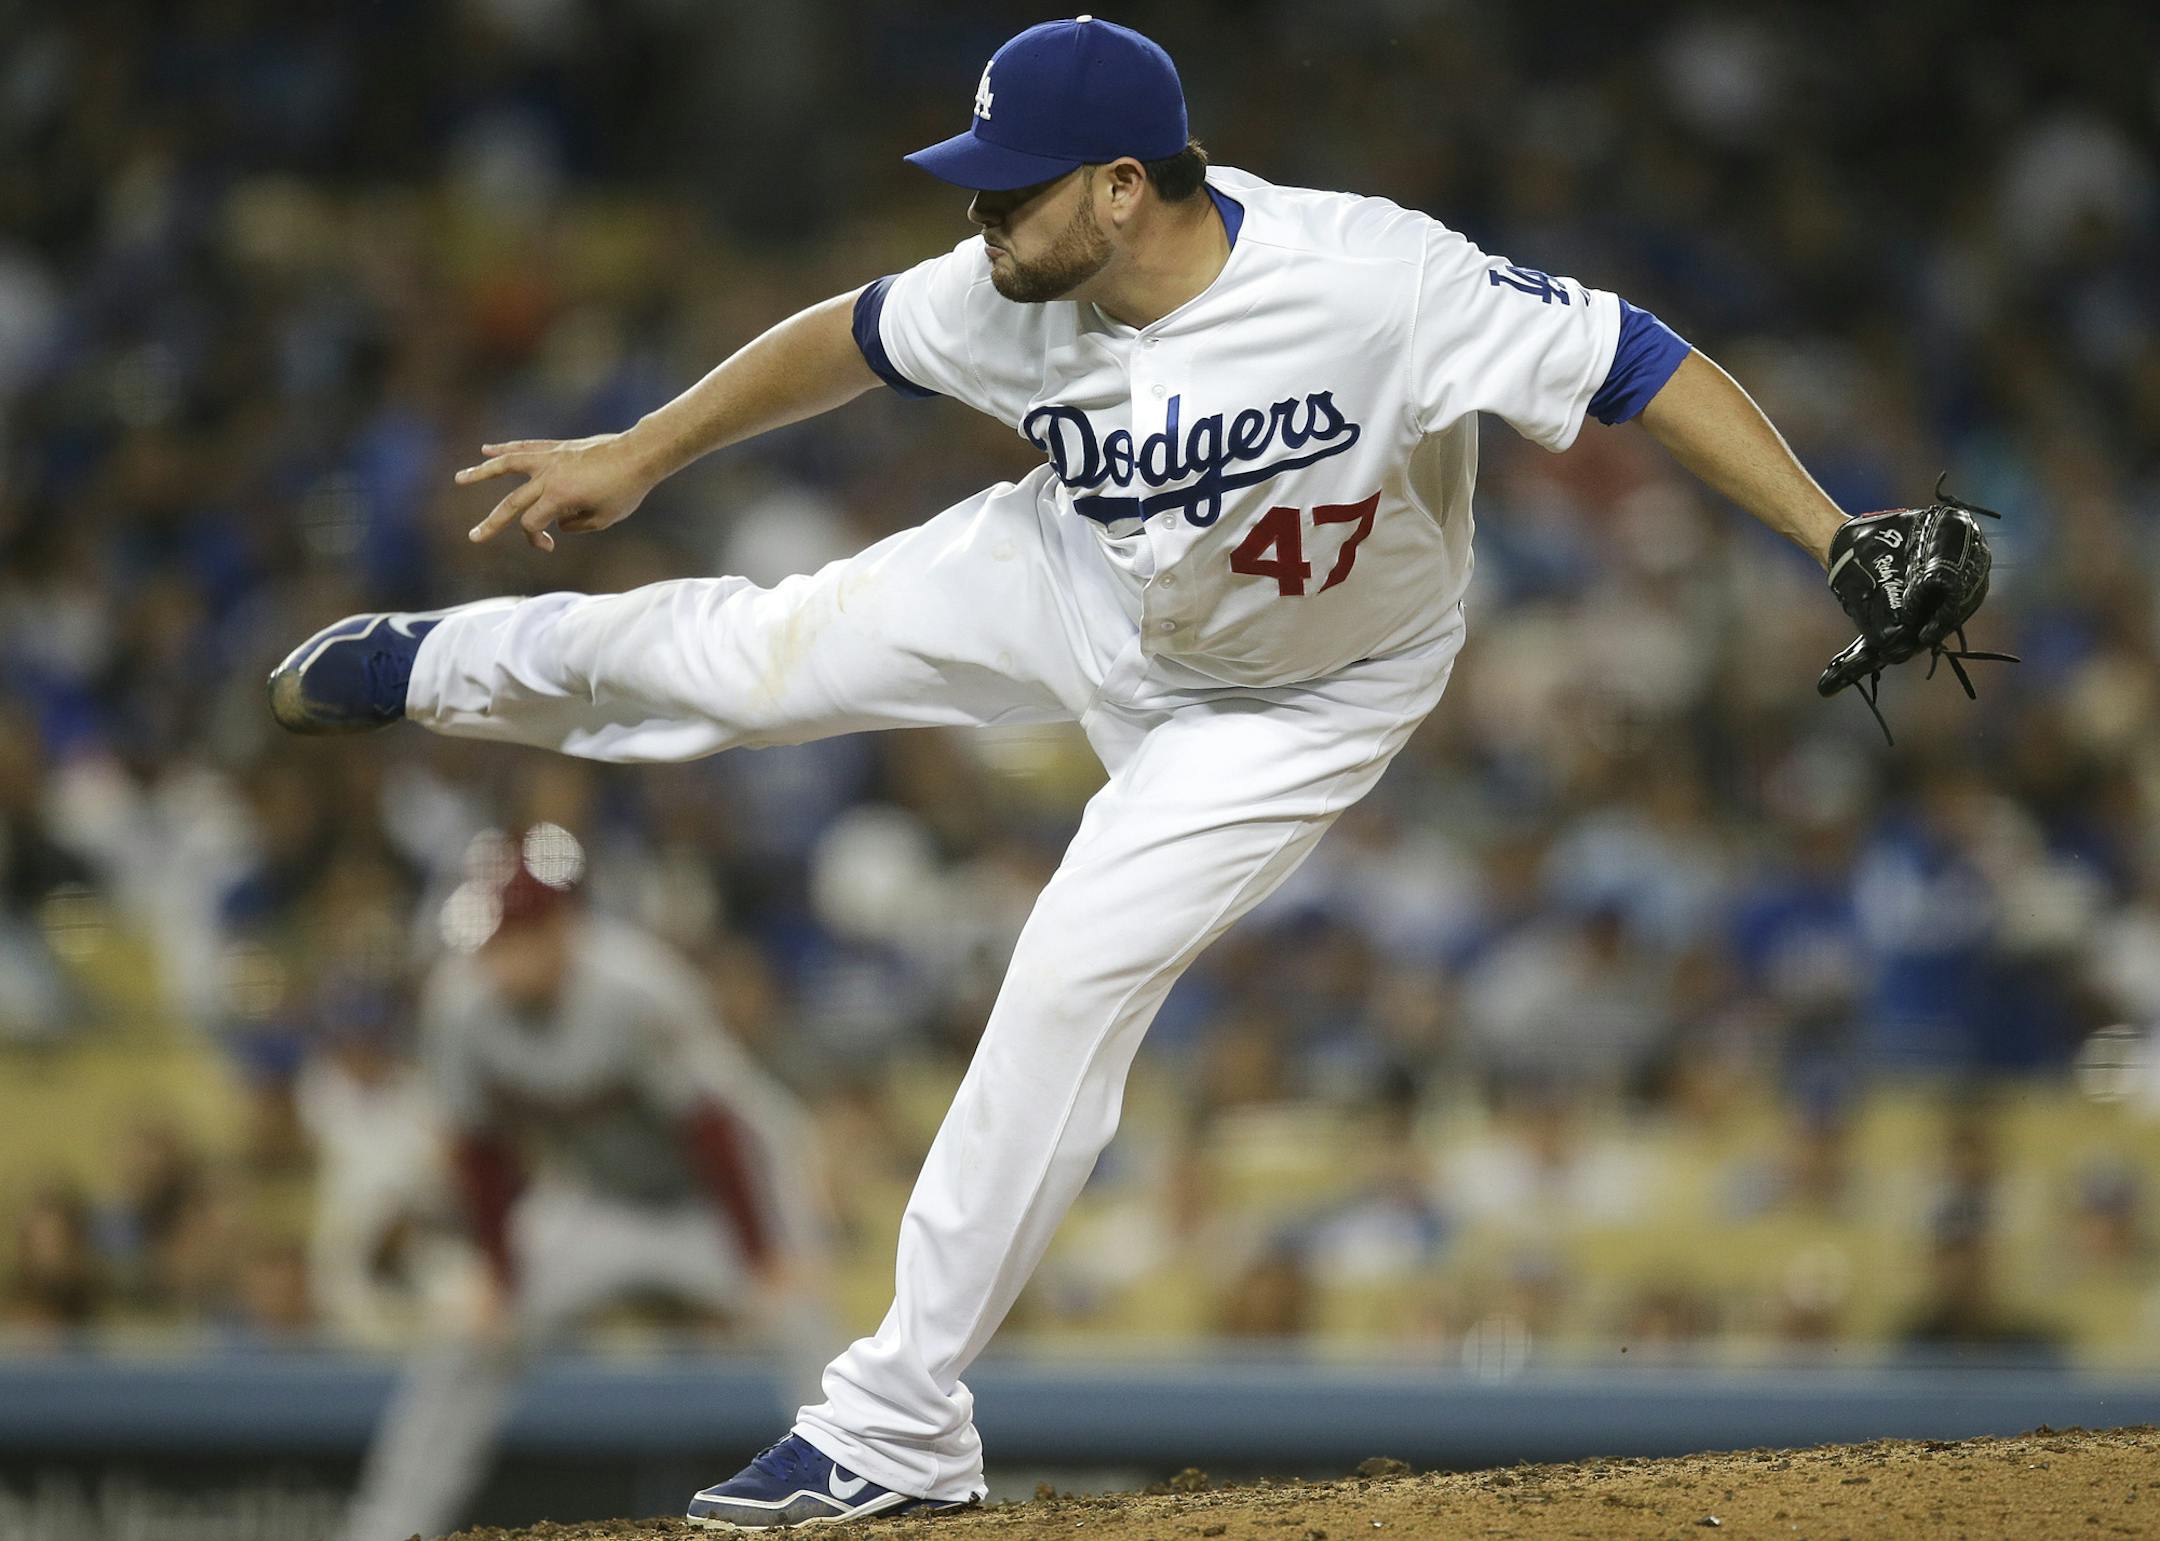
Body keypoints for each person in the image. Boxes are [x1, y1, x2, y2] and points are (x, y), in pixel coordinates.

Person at [270, 16, 1859, 1528]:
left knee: (1066, 978)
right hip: (1083, 579)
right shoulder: (1008, 286)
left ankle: (893, 1425)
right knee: (749, 656)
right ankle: (437, 665)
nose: (979, 213)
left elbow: (1639, 359)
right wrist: (640, 451)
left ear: (1122, 186)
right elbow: (844, 337)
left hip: (1302, 698)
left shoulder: (1374, 277)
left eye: (1009, 183)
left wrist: (1837, 537)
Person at [336, 823, 828, 1541]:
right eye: (489, 942)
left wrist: (765, 1258)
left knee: (804, 1328)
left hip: (719, 1197)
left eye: (515, 938)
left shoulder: (637, 986)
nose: (497, 960)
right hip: (596, 1197)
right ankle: (385, 1529)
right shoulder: (461, 1004)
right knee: (467, 1338)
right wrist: (499, 1274)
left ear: (561, 930)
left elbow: (715, 1131)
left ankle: (860, 1513)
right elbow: (481, 1152)